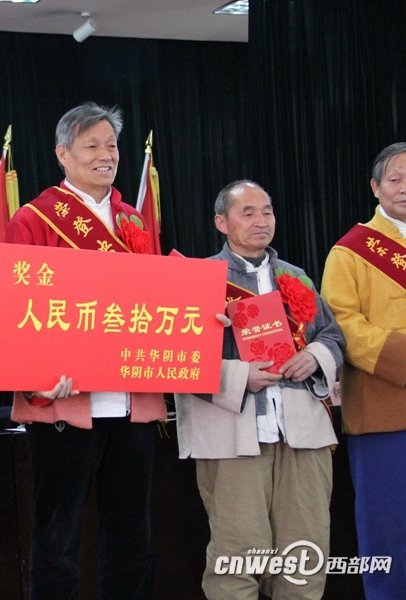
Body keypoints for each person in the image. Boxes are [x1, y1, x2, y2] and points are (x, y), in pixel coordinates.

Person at [4, 102, 166, 600]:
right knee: (58, 538)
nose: (105, 155)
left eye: (111, 145)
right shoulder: (33, 219)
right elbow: (16, 308)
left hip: (131, 403)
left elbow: (157, 303)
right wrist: (36, 377)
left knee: (132, 536)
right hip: (63, 404)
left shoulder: (133, 218)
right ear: (63, 154)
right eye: (91, 145)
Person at [174, 180, 344, 599]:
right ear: (222, 222)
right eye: (247, 212)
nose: (261, 220)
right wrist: (238, 377)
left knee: (304, 555)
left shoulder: (295, 277)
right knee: (238, 556)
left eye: (266, 211)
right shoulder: (198, 278)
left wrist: (315, 357)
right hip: (232, 434)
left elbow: (333, 336)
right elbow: (175, 357)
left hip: (300, 433)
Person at [321, 143, 406, 599]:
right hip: (382, 413)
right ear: (376, 187)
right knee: (387, 530)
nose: (404, 188)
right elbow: (343, 326)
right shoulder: (350, 251)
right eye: (396, 179)